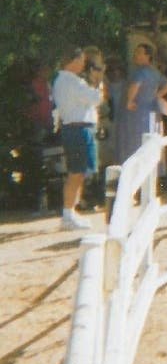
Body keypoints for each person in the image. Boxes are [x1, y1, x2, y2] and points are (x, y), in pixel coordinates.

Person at [51, 46, 104, 231]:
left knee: (78, 172)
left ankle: (71, 212)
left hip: (76, 128)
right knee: (76, 172)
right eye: (81, 60)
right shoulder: (71, 82)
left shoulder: (66, 80)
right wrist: (98, 83)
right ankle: (67, 213)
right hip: (77, 129)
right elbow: (95, 98)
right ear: (73, 61)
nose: (83, 64)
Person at [117, 42, 167, 167]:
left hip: (137, 114)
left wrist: (129, 101)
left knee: (135, 144)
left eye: (139, 52)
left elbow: (135, 85)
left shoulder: (140, 72)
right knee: (151, 143)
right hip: (152, 113)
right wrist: (158, 95)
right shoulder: (155, 72)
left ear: (148, 56)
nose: (135, 55)